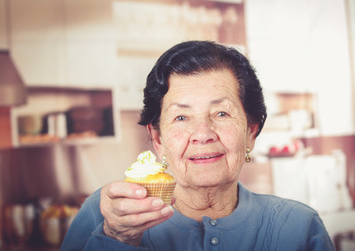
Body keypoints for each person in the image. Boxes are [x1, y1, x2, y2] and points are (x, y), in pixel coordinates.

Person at [60, 41, 335, 250]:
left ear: (251, 131)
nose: (202, 134)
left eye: (221, 113)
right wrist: (117, 238)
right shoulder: (108, 212)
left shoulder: (299, 227)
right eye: (181, 117)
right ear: (157, 138)